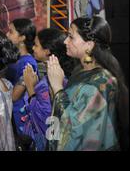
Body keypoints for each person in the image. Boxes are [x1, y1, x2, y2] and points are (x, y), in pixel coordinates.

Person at [48, 16, 129, 151]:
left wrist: (57, 88)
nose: (65, 41)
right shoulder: (80, 71)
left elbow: (75, 130)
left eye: (71, 37)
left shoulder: (99, 84)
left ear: (89, 45)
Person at [21, 28, 77, 151]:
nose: (33, 48)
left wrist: (31, 90)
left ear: (47, 51)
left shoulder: (53, 80)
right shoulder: (54, 75)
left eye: (36, 45)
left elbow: (47, 120)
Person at [5, 18, 38, 134]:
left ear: (22, 38)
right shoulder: (16, 59)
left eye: (11, 31)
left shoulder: (28, 64)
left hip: (18, 117)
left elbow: (15, 96)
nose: (7, 34)